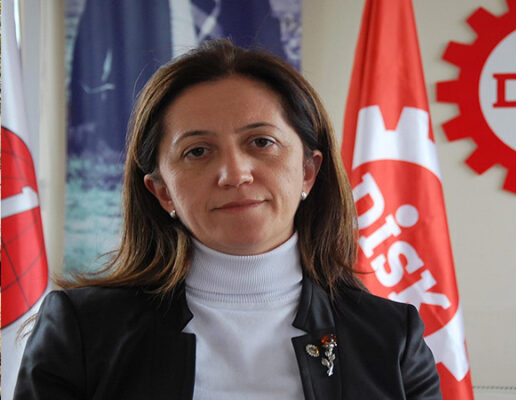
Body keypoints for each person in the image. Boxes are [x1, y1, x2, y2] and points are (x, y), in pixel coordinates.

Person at [15, 39, 442, 400]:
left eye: (261, 142)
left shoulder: (391, 337)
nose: (235, 174)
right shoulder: (83, 330)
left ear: (308, 172)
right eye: (197, 151)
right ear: (162, 191)